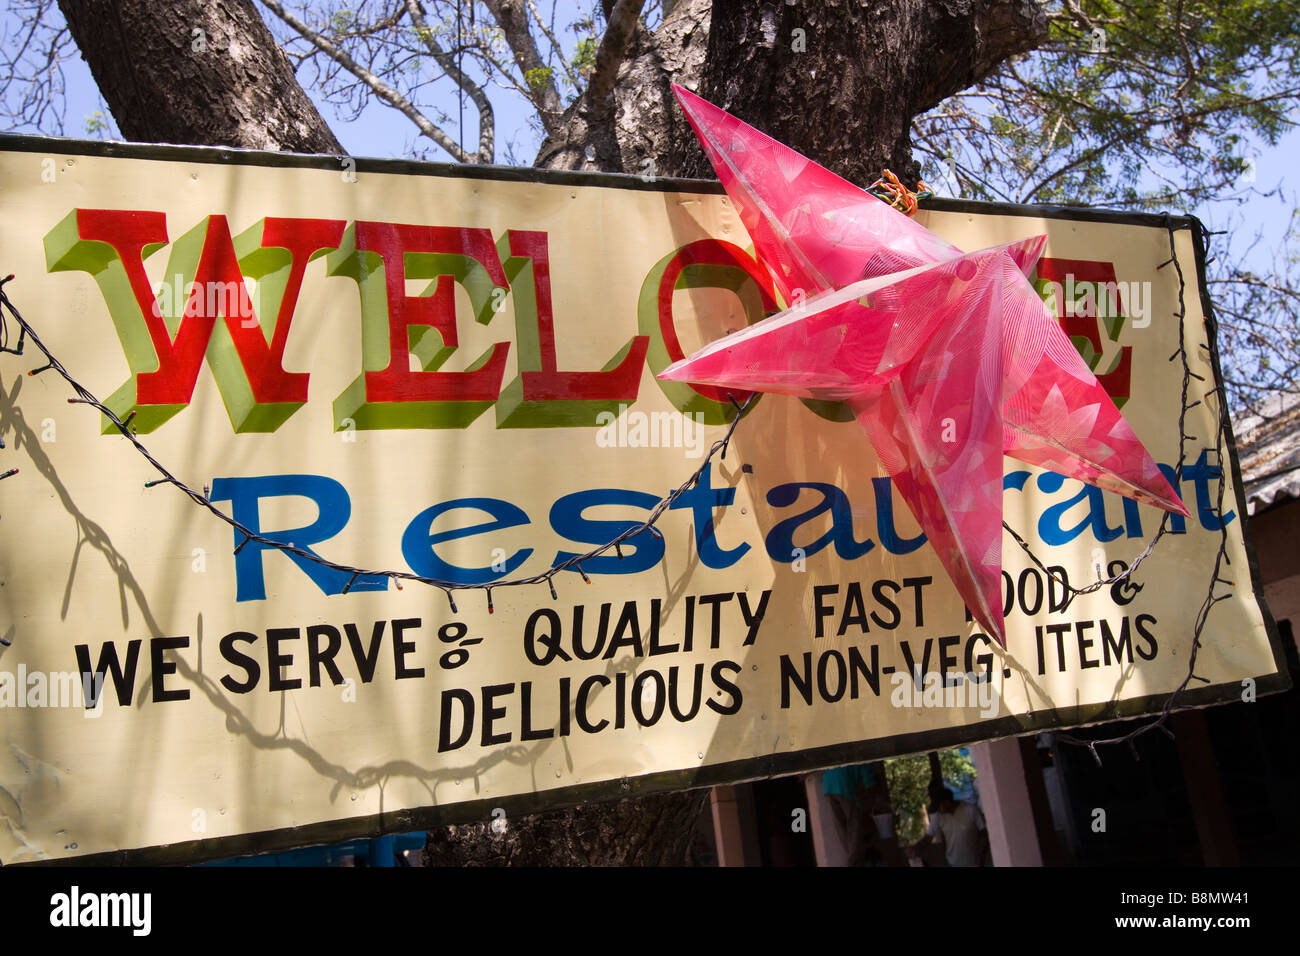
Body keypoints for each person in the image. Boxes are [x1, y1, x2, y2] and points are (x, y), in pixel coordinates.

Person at [921, 787, 988, 866]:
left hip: (974, 863)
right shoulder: (938, 816)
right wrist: (915, 849)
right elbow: (928, 837)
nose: (938, 810)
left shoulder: (970, 810)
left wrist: (982, 856)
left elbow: (984, 833)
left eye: (938, 807)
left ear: (947, 803)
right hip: (953, 863)